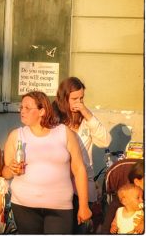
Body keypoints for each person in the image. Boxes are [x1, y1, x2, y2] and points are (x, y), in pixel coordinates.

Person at [2, 91, 92, 234]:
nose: (22, 111)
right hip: (24, 205)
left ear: (42, 111)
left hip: (60, 206)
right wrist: (11, 169)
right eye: (21, 107)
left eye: (27, 108)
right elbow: (5, 173)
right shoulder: (16, 135)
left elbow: (79, 169)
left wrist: (83, 205)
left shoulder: (64, 132)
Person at [52, 76, 111, 233]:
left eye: (81, 98)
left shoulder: (86, 118)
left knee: (80, 230)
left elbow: (105, 141)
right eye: (74, 98)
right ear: (64, 98)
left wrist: (87, 114)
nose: (78, 102)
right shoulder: (53, 119)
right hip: (59, 185)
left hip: (83, 187)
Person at [102, 160, 144, 233]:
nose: (141, 200)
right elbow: (106, 228)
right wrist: (113, 227)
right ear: (137, 182)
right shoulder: (121, 201)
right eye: (138, 198)